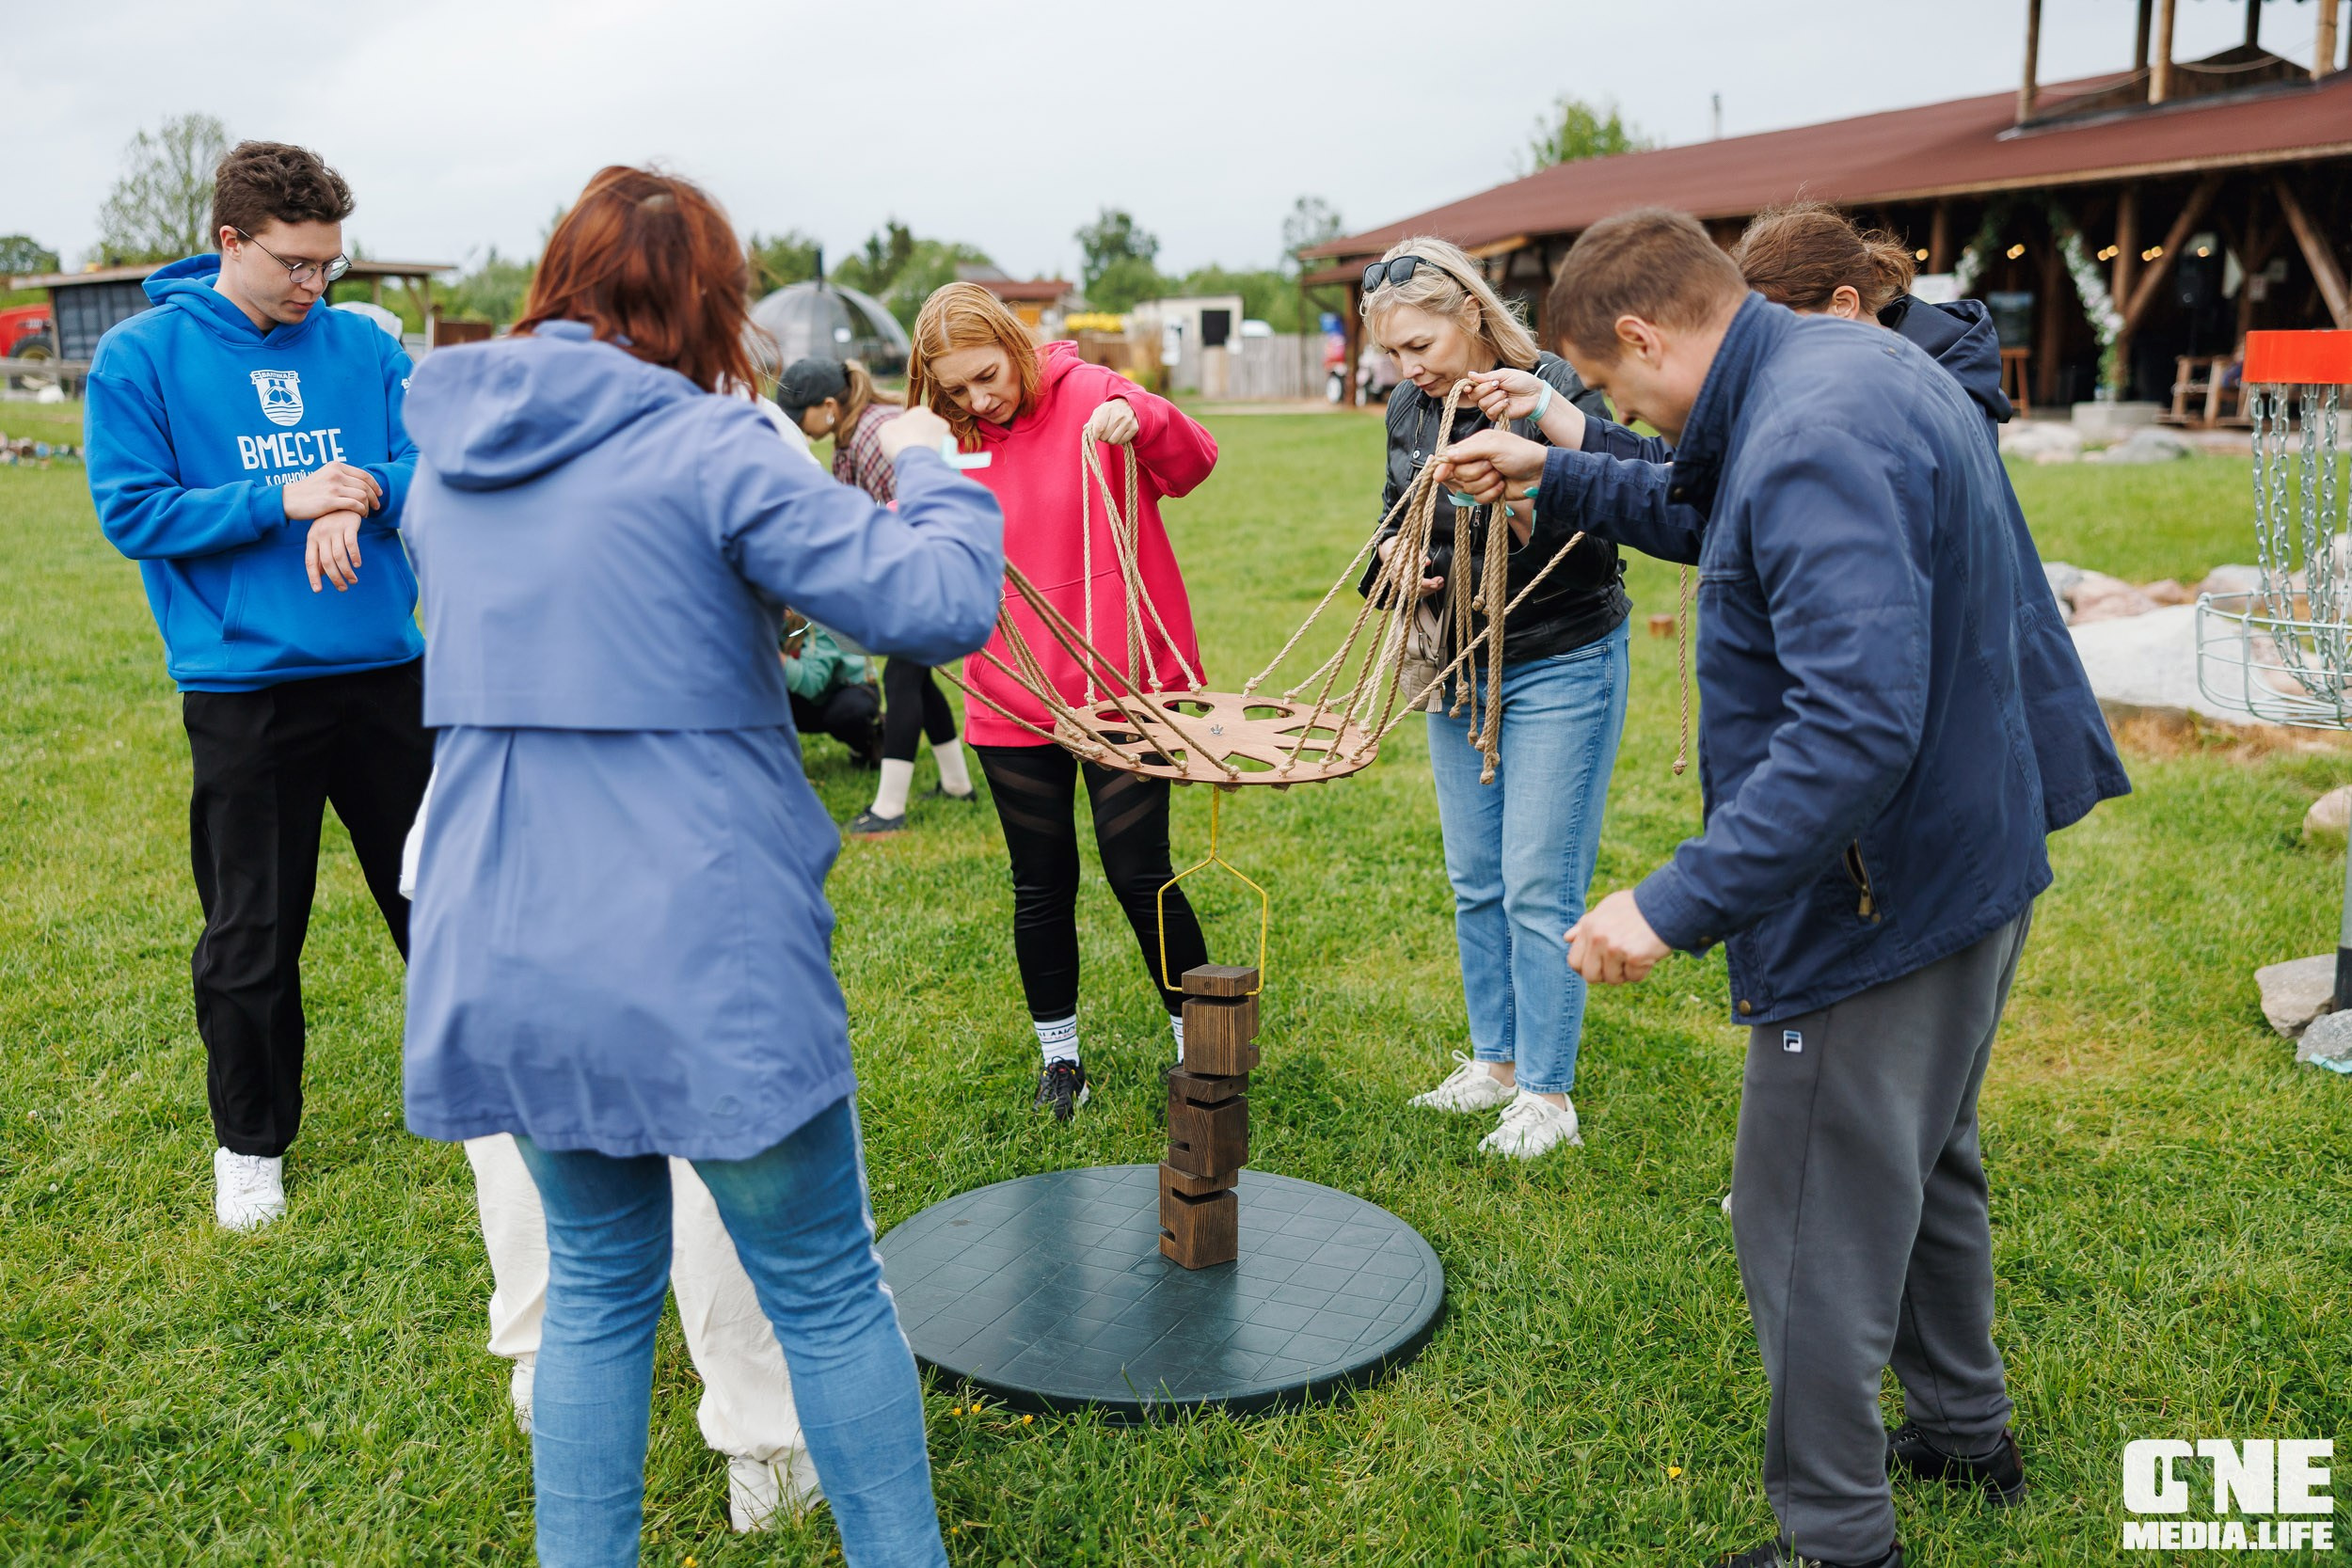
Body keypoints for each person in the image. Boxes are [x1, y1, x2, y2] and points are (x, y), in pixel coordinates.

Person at [1438, 208, 2125, 1568]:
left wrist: (1675, 899)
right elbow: (1713, 498)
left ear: (1642, 333)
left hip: (1883, 885)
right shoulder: (1840, 364)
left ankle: (1835, 1534)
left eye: (1617, 388)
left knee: (1801, 1206)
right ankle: (1963, 1429)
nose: (1625, 410)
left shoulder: (1809, 427)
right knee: (1923, 1158)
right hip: (1970, 848)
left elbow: (1853, 726)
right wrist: (1557, 471)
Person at [399, 165, 1003, 1567]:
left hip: (501, 913)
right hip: (692, 924)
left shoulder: (447, 456)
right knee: (828, 1289)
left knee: (600, 1287)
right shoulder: (713, 448)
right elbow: (938, 601)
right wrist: (929, 464)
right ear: (711, 306)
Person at [84, 139, 435, 1232]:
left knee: (448, 898)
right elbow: (133, 510)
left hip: (387, 672)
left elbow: (432, 464)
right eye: (293, 263)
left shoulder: (365, 346)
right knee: (253, 927)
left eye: (329, 264)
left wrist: (362, 488)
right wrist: (283, 496)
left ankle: (497, 1095)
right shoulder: (140, 358)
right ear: (229, 242)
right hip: (247, 689)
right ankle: (250, 1143)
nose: (313, 284)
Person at [904, 281, 1218, 1121]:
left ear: (1013, 342)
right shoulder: (949, 440)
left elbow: (1193, 463)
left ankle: (1204, 1047)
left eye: (987, 375)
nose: (979, 398)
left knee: (1137, 868)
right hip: (1010, 690)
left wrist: (1143, 420)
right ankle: (1061, 1060)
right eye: (956, 387)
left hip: (1120, 684)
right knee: (1039, 882)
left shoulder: (1091, 393)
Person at [1356, 235, 1625, 1160]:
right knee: (1476, 880)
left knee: (1536, 883)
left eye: (1419, 347)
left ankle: (1548, 1095)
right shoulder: (1406, 409)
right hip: (1458, 663)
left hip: (1558, 655)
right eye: (1393, 354)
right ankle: (1496, 1064)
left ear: (1470, 316)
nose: (1407, 369)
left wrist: (1517, 508)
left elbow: (1605, 531)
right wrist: (1397, 563)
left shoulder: (1548, 387)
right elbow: (1396, 520)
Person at [777, 356, 977, 833]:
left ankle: (889, 809)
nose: (794, 429)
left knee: (903, 681)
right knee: (917, 680)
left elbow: (912, 508)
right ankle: (956, 784)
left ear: (828, 406)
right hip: (904, 575)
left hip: (921, 573)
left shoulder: (874, 435)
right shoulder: (850, 436)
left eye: (796, 417)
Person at [783, 611, 882, 768]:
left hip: (848, 690)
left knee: (848, 712)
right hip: (805, 698)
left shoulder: (818, 616)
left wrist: (771, 654)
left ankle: (869, 743)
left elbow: (811, 683)